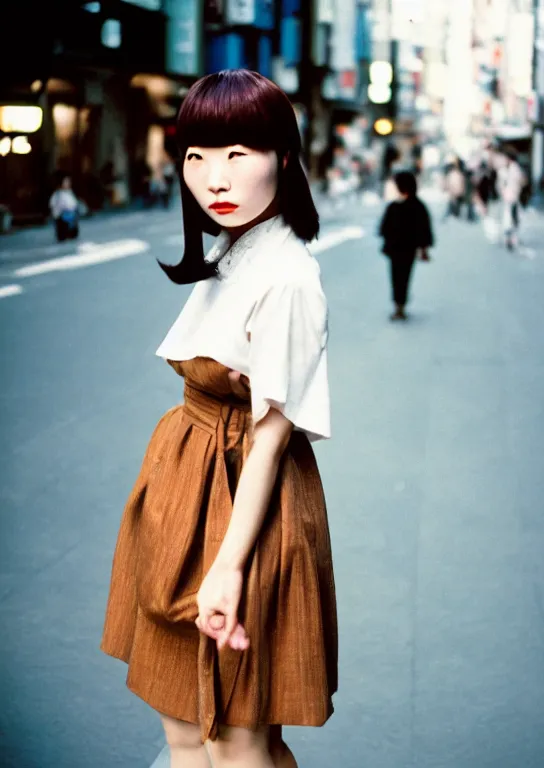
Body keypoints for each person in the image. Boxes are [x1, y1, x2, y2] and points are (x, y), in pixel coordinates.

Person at [100, 70, 338, 768]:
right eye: (197, 155)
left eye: (239, 153)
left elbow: (270, 439)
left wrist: (229, 568)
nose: (213, 177)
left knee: (235, 737)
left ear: (284, 159)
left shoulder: (288, 274)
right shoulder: (236, 245)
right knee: (183, 723)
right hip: (187, 493)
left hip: (239, 508)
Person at [379, 170, 434, 321]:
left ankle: (400, 306)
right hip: (395, 250)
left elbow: (424, 229)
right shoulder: (394, 206)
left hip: (407, 250)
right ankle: (398, 306)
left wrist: (423, 249)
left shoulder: (416, 206)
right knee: (397, 278)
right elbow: (384, 228)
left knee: (403, 278)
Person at [498, 149, 525, 250]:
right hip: (511, 196)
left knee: (510, 217)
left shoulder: (513, 169)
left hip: (511, 196)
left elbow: (517, 182)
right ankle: (510, 237)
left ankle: (510, 237)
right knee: (512, 217)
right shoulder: (510, 169)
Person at [49, 174, 80, 242]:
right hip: (62, 217)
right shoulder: (58, 194)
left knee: (72, 230)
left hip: (71, 215)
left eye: (68, 182)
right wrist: (57, 214)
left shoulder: (70, 192)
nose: (68, 183)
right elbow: (53, 205)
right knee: (63, 231)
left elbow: (73, 203)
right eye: (66, 182)